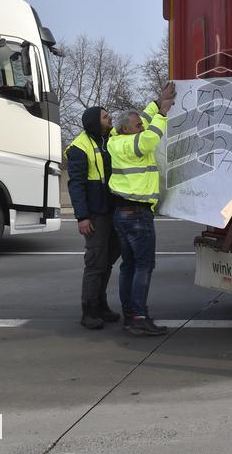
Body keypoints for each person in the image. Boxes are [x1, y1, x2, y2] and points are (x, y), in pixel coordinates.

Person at [108, 82, 175, 336]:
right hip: (136, 214)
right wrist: (163, 113)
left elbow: (143, 121)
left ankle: (130, 313)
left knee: (129, 265)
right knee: (143, 265)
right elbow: (149, 139)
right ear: (127, 130)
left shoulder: (118, 139)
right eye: (137, 126)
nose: (142, 127)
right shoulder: (131, 144)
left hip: (124, 214)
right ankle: (138, 316)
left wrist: (156, 104)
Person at [66, 106, 121, 330]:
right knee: (96, 262)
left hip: (113, 209)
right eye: (105, 116)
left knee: (107, 260)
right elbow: (76, 185)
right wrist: (82, 217)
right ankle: (88, 310)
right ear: (94, 122)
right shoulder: (79, 147)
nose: (110, 118)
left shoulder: (111, 137)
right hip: (96, 214)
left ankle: (101, 305)